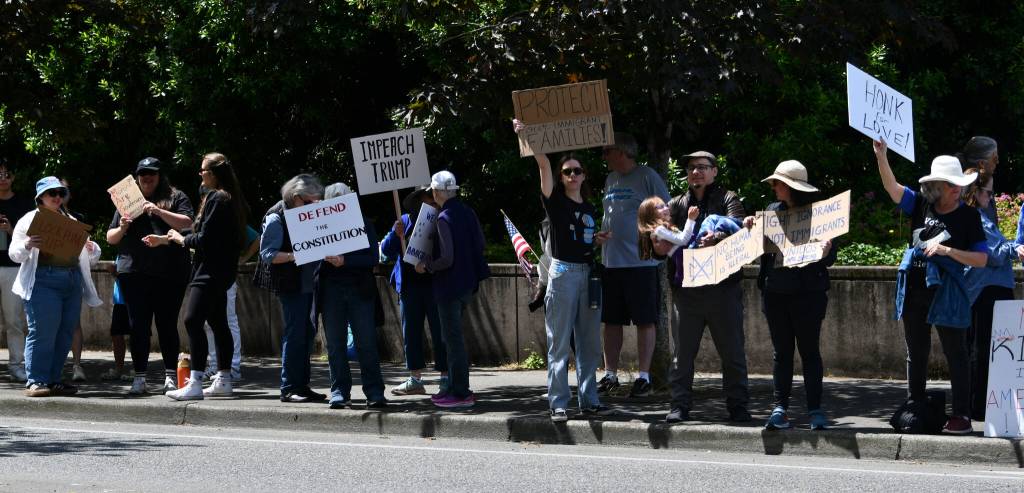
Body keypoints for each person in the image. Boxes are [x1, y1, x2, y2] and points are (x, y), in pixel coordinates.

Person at [875, 138, 987, 434]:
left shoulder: (968, 216)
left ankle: (961, 414)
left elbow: (981, 259)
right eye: (954, 185)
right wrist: (881, 155)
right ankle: (915, 405)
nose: (959, 189)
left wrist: (948, 252)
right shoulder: (921, 204)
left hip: (948, 293)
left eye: (959, 185)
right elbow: (891, 187)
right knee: (917, 351)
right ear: (940, 188)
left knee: (956, 352)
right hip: (915, 288)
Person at [515, 119, 612, 421]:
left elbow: (579, 237)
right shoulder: (555, 202)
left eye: (577, 171)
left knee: (589, 343)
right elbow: (543, 166)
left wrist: (595, 240)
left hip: (588, 274)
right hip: (563, 274)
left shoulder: (590, 208)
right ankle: (558, 402)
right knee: (559, 342)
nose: (572, 175)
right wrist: (527, 135)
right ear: (561, 177)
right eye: (567, 171)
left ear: (585, 176)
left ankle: (589, 399)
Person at [144, 153, 248, 400]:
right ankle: (223, 378)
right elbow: (205, 231)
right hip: (222, 272)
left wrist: (181, 240)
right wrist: (167, 238)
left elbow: (204, 240)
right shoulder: (231, 199)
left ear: (213, 174)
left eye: (203, 171)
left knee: (192, 320)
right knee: (218, 323)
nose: (200, 174)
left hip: (208, 271)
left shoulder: (216, 198)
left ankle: (196, 382)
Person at [659, 150, 751, 423]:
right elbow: (660, 242)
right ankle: (679, 406)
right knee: (682, 355)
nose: (695, 172)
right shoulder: (675, 204)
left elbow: (743, 233)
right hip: (687, 291)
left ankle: (738, 406)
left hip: (723, 288)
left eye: (702, 167)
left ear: (714, 172)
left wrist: (718, 237)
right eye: (691, 168)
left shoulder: (728, 199)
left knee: (732, 353)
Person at [745, 161, 835, 431]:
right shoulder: (772, 212)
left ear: (793, 187)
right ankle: (780, 408)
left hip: (808, 295)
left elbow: (830, 259)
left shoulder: (821, 214)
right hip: (775, 294)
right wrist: (750, 226)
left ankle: (815, 411)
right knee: (781, 353)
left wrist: (827, 249)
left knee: (810, 353)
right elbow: (757, 248)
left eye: (778, 182)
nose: (773, 187)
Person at [107, 157, 194, 395]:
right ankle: (140, 378)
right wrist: (123, 227)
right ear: (136, 177)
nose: (146, 177)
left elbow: (188, 224)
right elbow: (110, 238)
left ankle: (169, 377)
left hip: (170, 273)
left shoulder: (176, 197)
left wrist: (157, 211)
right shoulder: (127, 200)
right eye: (142, 173)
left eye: (151, 173)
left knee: (167, 324)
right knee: (138, 327)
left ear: (160, 175)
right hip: (134, 273)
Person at [9, 176, 102, 396]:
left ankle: (53, 379)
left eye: (61, 193)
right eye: (53, 193)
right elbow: (14, 253)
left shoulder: (70, 219)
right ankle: (36, 380)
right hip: (43, 281)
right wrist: (27, 244)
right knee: (42, 331)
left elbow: (90, 258)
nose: (58, 197)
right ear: (41, 197)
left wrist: (91, 248)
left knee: (65, 332)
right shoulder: (29, 220)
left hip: (71, 280)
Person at [597, 133, 671, 397]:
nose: (603, 156)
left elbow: (666, 209)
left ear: (622, 151)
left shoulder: (647, 175)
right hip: (611, 261)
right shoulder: (610, 179)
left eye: (607, 151)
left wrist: (657, 238)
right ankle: (610, 375)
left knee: (644, 320)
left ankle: (644, 378)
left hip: (641, 262)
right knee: (611, 321)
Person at [415, 170, 490, 408]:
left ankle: (460, 392)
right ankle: (455, 388)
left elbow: (446, 258)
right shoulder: (468, 212)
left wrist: (426, 266)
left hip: (449, 287)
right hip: (468, 284)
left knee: (452, 340)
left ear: (437, 192)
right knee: (454, 338)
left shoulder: (443, 217)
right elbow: (480, 244)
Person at [315, 182, 386, 409]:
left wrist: (345, 261)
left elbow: (373, 258)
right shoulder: (319, 226)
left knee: (366, 343)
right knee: (335, 345)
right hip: (331, 291)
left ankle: (374, 392)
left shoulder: (363, 224)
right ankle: (339, 392)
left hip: (359, 290)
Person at [258, 174, 326, 403]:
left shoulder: (301, 213)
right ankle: (289, 387)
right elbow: (267, 254)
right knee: (295, 333)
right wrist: (294, 256)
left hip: (308, 282)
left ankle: (302, 385)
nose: (313, 207)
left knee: (306, 333)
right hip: (291, 284)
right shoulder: (276, 218)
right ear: (296, 198)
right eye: (309, 202)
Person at [961, 167, 1019, 421]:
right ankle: (979, 407)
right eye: (988, 192)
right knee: (983, 350)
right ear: (975, 191)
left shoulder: (980, 216)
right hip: (985, 292)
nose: (990, 197)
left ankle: (985, 406)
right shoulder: (975, 217)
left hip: (988, 290)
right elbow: (993, 254)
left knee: (988, 349)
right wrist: (1015, 250)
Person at [380, 186, 449, 397]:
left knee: (441, 334)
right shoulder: (406, 220)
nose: (429, 202)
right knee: (410, 334)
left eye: (431, 198)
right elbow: (386, 251)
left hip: (435, 285)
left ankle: (446, 378)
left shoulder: (442, 219)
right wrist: (395, 233)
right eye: (424, 198)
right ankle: (415, 379)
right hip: (410, 287)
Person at [203, 222, 259, 382]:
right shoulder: (209, 216)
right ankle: (216, 366)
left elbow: (256, 238)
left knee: (227, 320)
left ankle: (232, 367)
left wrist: (243, 259)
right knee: (210, 323)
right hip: (210, 275)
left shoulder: (229, 218)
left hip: (224, 276)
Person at [0, 159, 34, 382]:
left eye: (7, 174)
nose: (3, 178)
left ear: (13, 178)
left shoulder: (23, 204)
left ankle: (16, 364)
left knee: (13, 320)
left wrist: (10, 230)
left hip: (13, 267)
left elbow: (29, 239)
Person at [59, 178, 87, 383]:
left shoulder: (78, 218)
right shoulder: (42, 218)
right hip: (50, 275)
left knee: (74, 322)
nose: (59, 195)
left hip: (71, 274)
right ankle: (56, 366)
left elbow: (85, 249)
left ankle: (77, 365)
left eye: (64, 191)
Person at [100, 263, 132, 382]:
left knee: (136, 334)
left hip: (134, 299)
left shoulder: (136, 249)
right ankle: (119, 369)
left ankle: (138, 370)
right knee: (116, 334)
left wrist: (115, 272)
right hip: (120, 300)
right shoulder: (122, 250)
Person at [956, 136, 999, 220]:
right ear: (982, 164)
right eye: (995, 159)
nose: (997, 162)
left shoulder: (985, 183)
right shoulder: (961, 190)